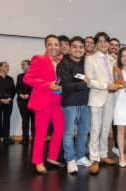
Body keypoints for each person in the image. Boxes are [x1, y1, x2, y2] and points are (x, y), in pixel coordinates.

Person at [24, 35, 65, 174]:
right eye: (50, 44)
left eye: (56, 44)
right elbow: (27, 78)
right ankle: (38, 162)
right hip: (43, 101)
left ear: (59, 47)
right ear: (46, 46)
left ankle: (52, 158)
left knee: (59, 129)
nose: (54, 47)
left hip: (57, 101)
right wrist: (48, 85)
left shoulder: (61, 60)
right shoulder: (39, 59)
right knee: (41, 133)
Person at [85, 32, 120, 175]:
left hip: (111, 98)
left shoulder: (112, 60)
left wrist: (120, 83)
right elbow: (89, 81)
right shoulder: (90, 59)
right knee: (95, 129)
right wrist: (107, 86)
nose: (103, 44)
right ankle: (94, 159)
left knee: (106, 129)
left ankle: (103, 154)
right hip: (97, 97)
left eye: (106, 41)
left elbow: (116, 77)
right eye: (100, 41)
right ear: (96, 44)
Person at [56, 36, 91, 174]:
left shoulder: (87, 62)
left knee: (84, 131)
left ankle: (80, 156)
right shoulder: (63, 64)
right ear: (70, 48)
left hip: (86, 103)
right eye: (75, 47)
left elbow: (92, 79)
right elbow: (64, 85)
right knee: (69, 132)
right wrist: (83, 84)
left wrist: (85, 84)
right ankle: (70, 159)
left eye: (81, 47)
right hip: (70, 103)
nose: (78, 50)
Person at [16, 60, 35, 144]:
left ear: (29, 65)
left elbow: (35, 87)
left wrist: (28, 95)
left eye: (23, 65)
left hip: (33, 100)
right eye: (21, 65)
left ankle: (34, 138)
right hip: (22, 101)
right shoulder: (20, 76)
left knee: (34, 120)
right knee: (25, 120)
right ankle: (25, 138)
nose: (22, 66)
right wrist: (20, 94)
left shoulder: (35, 75)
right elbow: (17, 87)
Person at [109, 38, 121, 157]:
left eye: (116, 45)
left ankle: (117, 146)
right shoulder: (104, 59)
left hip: (119, 96)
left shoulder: (122, 60)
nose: (114, 47)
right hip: (106, 95)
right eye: (112, 45)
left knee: (117, 123)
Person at [0, 62, 16, 144]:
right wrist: (1, 99)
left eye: (8, 66)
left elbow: (13, 90)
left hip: (8, 102)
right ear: (0, 67)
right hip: (0, 101)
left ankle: (6, 137)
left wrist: (10, 98)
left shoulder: (10, 79)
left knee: (7, 119)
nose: (7, 68)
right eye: (6, 66)